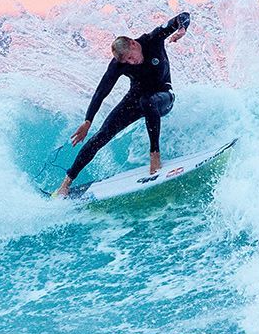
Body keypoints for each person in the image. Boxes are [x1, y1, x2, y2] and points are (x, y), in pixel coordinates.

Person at [53, 12, 190, 198]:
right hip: (135, 99)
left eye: (131, 58)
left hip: (163, 96)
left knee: (147, 101)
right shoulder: (119, 64)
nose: (131, 63)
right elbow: (101, 91)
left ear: (133, 44)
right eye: (126, 61)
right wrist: (87, 121)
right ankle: (66, 183)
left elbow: (183, 16)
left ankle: (155, 156)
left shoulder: (153, 39)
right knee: (102, 135)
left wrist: (182, 29)